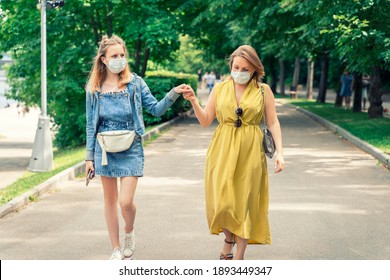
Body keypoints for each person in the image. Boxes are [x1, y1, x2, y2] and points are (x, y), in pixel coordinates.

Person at [85, 35, 189, 260]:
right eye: (114, 56)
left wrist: (174, 93)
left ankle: (129, 233)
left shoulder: (135, 83)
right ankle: (115, 249)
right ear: (103, 59)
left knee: (125, 202)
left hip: (131, 147)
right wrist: (88, 157)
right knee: (110, 201)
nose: (120, 59)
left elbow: (156, 109)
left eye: (122, 55)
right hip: (104, 149)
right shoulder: (94, 88)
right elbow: (90, 124)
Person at [182, 45, 285, 260]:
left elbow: (273, 122)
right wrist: (193, 100)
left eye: (245, 68)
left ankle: (238, 257)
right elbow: (205, 120)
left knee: (244, 203)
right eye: (236, 67)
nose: (239, 72)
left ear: (254, 69)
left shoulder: (264, 90)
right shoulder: (219, 89)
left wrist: (280, 154)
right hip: (222, 149)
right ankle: (229, 239)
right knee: (223, 202)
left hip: (250, 151)